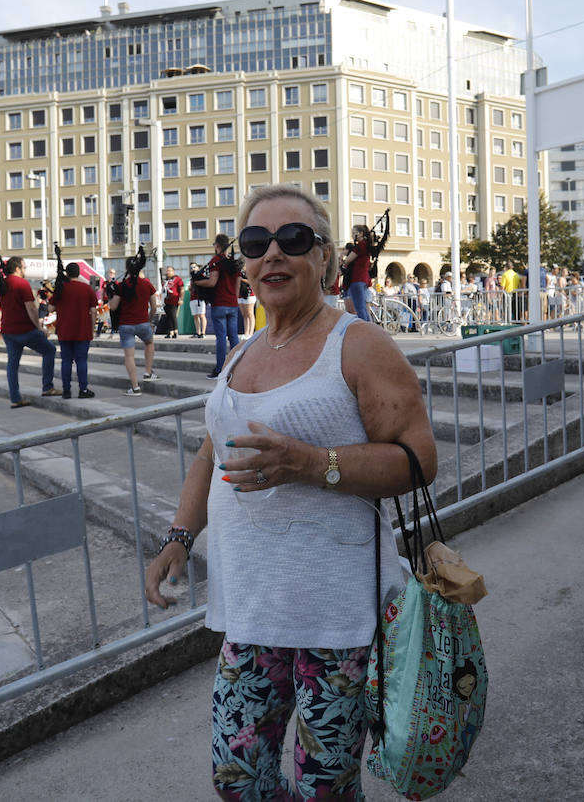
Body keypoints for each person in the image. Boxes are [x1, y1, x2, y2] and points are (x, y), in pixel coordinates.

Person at [142, 183, 437, 801]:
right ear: (243, 262)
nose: (272, 254)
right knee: (238, 777)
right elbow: (209, 450)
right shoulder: (246, 351)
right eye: (256, 242)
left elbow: (418, 460)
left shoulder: (356, 344)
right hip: (250, 608)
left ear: (325, 257)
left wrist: (309, 463)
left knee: (322, 789)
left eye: (292, 239)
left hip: (337, 616)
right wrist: (178, 535)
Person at [0, 256, 60, 407]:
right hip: (24, 329)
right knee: (49, 350)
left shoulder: (1, 284)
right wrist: (40, 328)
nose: (25, 270)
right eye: (24, 267)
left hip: (7, 330)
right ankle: (47, 387)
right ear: (18, 268)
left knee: (12, 364)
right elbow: (31, 308)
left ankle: (15, 398)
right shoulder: (21, 284)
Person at [105, 267, 160, 396]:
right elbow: (154, 307)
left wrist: (110, 296)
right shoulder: (147, 284)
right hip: (143, 322)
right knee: (149, 342)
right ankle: (148, 372)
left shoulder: (122, 285)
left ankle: (135, 387)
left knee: (129, 356)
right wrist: (149, 320)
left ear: (126, 269)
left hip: (126, 324)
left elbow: (113, 307)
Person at [195, 234, 241, 379]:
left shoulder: (216, 261)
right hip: (233, 304)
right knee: (234, 337)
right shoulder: (233, 262)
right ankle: (236, 367)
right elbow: (238, 283)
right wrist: (235, 298)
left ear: (217, 245)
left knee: (221, 337)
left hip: (219, 304)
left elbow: (212, 282)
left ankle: (220, 369)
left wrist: (197, 282)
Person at [52, 270, 97, 399]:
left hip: (64, 330)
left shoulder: (60, 289)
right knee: (81, 360)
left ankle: (66, 390)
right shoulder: (87, 288)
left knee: (66, 360)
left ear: (67, 274)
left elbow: (50, 308)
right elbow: (93, 311)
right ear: (78, 273)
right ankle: (83, 390)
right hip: (82, 330)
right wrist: (92, 328)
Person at [339, 224, 378, 321]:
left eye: (353, 233)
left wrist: (341, 256)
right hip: (363, 279)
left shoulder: (361, 245)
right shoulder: (366, 245)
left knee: (360, 308)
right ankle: (369, 329)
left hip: (357, 279)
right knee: (363, 308)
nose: (352, 235)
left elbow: (347, 260)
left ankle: (366, 330)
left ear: (360, 233)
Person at [162, 265, 185, 339]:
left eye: (169, 270)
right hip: (166, 300)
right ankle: (170, 331)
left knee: (173, 315)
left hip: (174, 300)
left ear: (173, 271)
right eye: (167, 270)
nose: (168, 272)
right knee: (168, 316)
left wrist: (181, 299)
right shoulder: (165, 280)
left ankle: (175, 331)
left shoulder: (177, 279)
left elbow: (182, 289)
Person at [188, 262, 208, 338]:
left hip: (200, 298)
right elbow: (190, 289)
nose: (193, 269)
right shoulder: (191, 279)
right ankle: (198, 332)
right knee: (195, 316)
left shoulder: (201, 276)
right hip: (193, 298)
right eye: (191, 268)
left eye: (194, 267)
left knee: (201, 315)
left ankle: (203, 332)